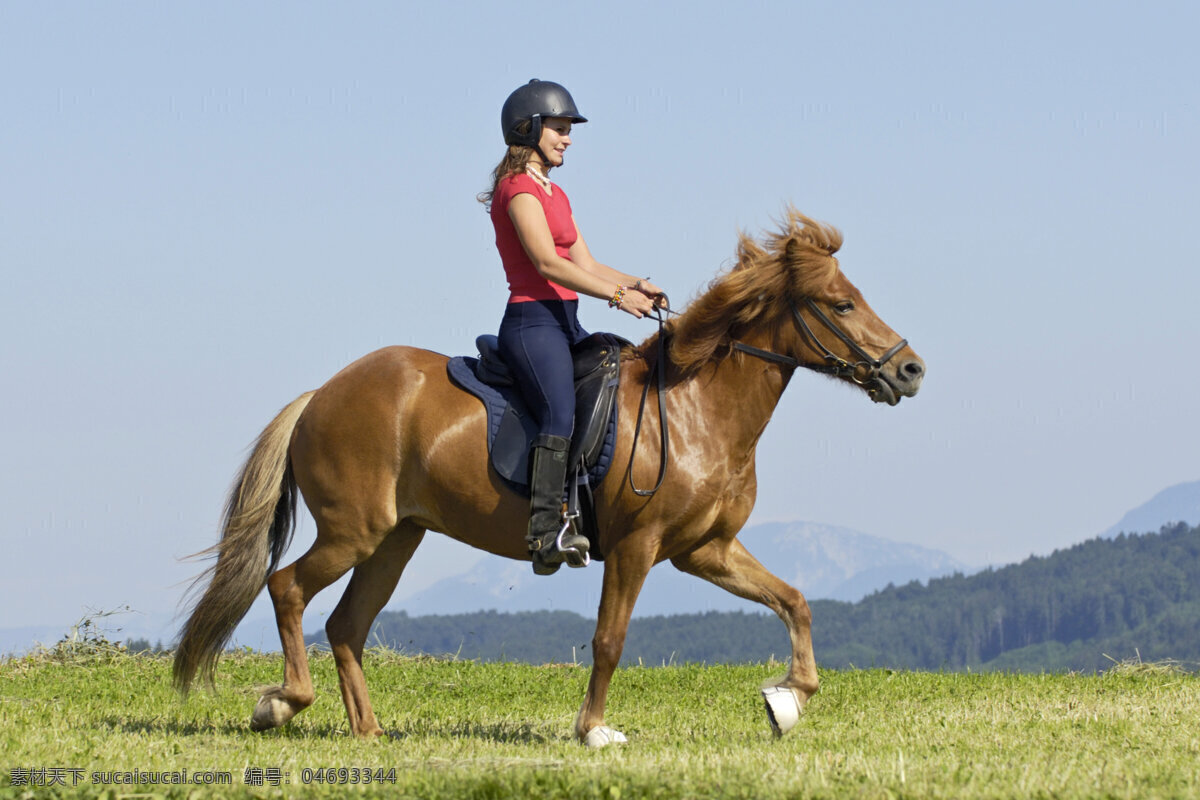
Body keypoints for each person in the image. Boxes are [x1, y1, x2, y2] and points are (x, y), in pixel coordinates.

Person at [480, 79, 666, 576]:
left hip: (566, 321)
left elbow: (586, 261)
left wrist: (637, 283)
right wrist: (617, 297)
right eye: (559, 129)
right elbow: (548, 263)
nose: (567, 138)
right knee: (559, 412)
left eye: (568, 130)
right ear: (530, 130)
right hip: (532, 321)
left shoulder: (556, 194)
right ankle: (544, 532)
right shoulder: (517, 190)